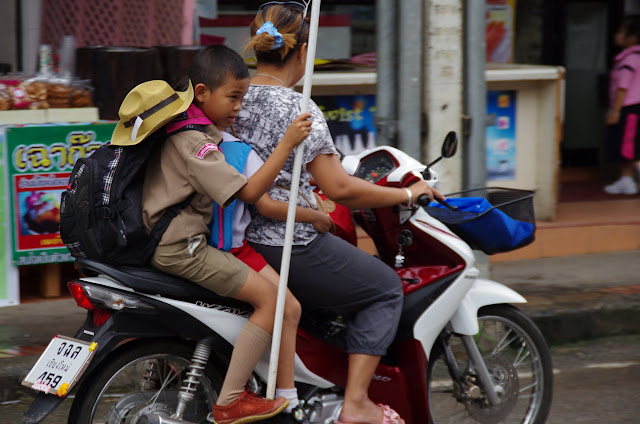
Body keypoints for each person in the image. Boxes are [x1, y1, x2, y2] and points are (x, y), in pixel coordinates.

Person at [235, 3, 443, 424]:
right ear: (303, 51)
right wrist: (406, 195)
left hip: (238, 238)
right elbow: (341, 188)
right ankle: (357, 404)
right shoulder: (299, 110)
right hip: (285, 239)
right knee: (385, 287)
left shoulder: (232, 96)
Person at [140, 45, 313, 424]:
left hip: (167, 242)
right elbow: (251, 194)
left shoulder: (181, 124)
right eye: (233, 97)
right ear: (201, 93)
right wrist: (287, 143)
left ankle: (279, 394)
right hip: (181, 247)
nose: (238, 108)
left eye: (242, 98)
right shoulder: (196, 142)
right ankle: (231, 400)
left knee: (279, 302)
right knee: (272, 301)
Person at [604, 14, 640, 195]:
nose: (616, 35)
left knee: (629, 146)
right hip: (631, 108)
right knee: (626, 146)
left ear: (633, 37)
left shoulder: (629, 60)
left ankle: (629, 178)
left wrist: (615, 111)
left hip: (629, 109)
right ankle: (626, 180)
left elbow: (622, 87)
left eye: (621, 31)